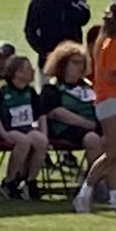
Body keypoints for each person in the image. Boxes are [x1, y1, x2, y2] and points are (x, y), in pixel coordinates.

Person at [72, 3, 116, 214]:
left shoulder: (107, 42)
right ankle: (85, 192)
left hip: (114, 98)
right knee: (113, 152)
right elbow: (112, 75)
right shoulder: (112, 43)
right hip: (112, 98)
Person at [0, 55, 49, 199]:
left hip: (26, 128)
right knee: (23, 142)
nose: (32, 72)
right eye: (28, 69)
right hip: (6, 128)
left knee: (41, 141)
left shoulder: (30, 91)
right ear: (17, 73)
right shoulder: (1, 89)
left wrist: (44, 133)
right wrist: (3, 134)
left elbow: (41, 114)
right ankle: (9, 181)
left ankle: (30, 180)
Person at [40, 41, 103, 170]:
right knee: (92, 138)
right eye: (75, 63)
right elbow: (56, 113)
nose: (80, 67)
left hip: (94, 126)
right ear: (62, 64)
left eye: (82, 63)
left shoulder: (87, 86)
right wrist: (86, 123)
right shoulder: (52, 88)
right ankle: (94, 181)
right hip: (65, 128)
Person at [24, 0, 91, 69]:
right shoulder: (40, 0)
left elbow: (84, 19)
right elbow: (30, 30)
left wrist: (65, 2)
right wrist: (42, 50)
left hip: (73, 57)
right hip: (48, 58)